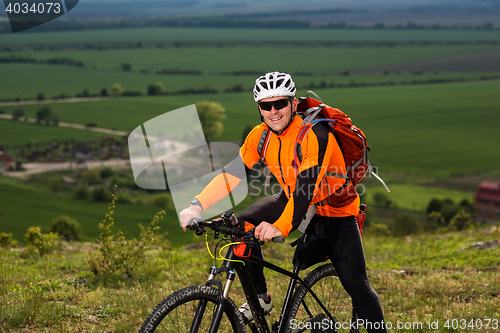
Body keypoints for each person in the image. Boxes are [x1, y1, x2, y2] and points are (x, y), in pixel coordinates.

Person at [180, 71, 387, 332]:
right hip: (292, 198)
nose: (274, 111)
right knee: (241, 227)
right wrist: (196, 205)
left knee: (357, 284)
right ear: (259, 108)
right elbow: (232, 175)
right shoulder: (260, 136)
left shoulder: (314, 134)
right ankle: (260, 298)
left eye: (280, 104)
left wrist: (280, 226)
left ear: (292, 103)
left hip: (334, 208)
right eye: (267, 106)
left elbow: (306, 187)